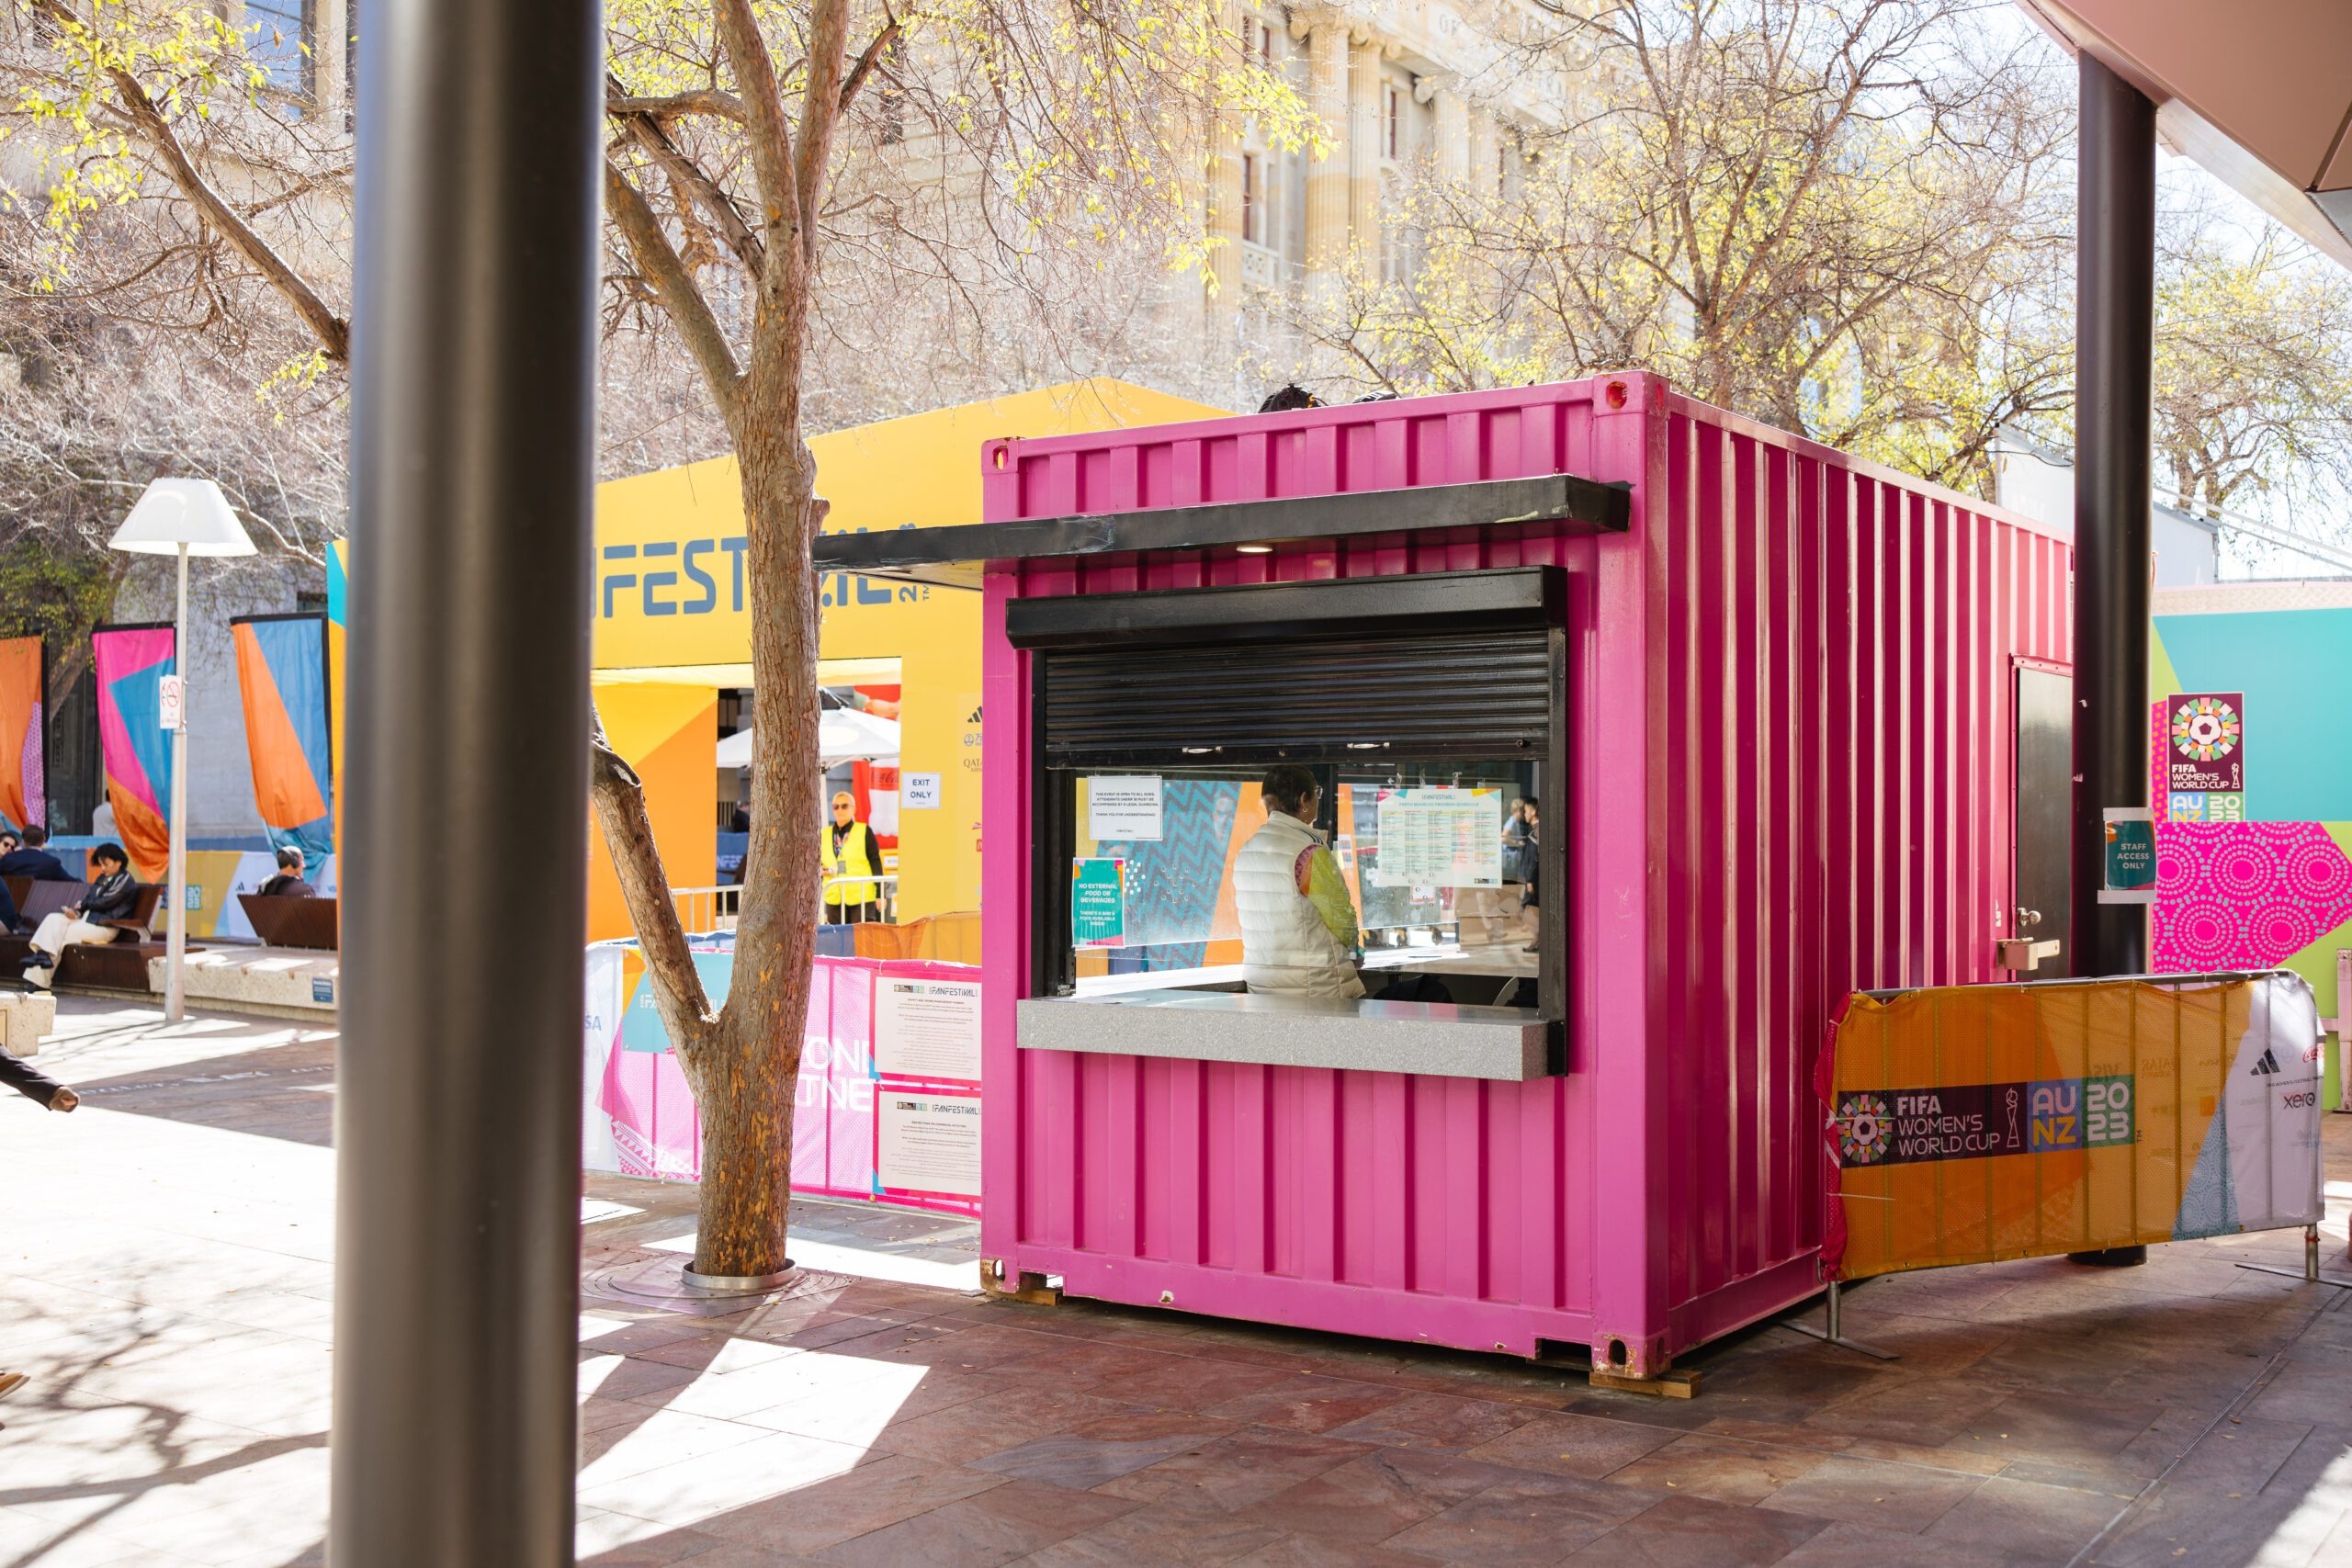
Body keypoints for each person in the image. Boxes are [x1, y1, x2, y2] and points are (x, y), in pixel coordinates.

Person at [1235, 765, 1367, 999]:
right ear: (1304, 799)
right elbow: (1342, 919)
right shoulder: (1309, 852)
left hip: (1263, 987)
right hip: (1315, 988)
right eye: (1316, 793)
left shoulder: (1247, 851)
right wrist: (1355, 951)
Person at [19, 842, 140, 991]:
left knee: (56, 937)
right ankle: (41, 963)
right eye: (101, 865)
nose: (103, 869)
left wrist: (82, 906)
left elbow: (106, 902)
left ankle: (39, 976)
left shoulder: (125, 879)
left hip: (104, 926)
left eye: (106, 864)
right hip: (87, 921)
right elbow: (90, 900)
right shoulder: (102, 878)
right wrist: (76, 912)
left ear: (119, 862)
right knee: (53, 918)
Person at [820, 791, 886, 924]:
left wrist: (880, 894)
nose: (840, 810)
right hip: (834, 895)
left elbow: (875, 862)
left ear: (853, 809)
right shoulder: (824, 834)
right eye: (836, 807)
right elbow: (816, 862)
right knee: (838, 940)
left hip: (861, 896)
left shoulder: (864, 831)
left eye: (844, 806)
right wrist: (821, 871)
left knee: (860, 939)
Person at [0, 823, 70, 882]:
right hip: (42, 897)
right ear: (43, 841)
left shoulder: (8, 859)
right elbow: (72, 882)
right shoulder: (52, 863)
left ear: (23, 842)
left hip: (13, 897)